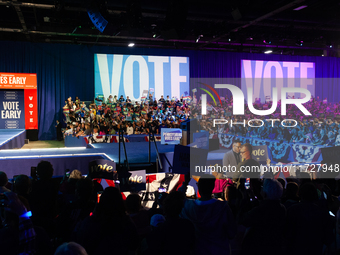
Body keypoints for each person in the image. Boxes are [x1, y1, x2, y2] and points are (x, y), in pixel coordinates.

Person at [180, 174, 236, 255]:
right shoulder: (223, 208)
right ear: (213, 186)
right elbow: (232, 233)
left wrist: (185, 183)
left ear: (198, 186)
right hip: (220, 251)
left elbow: (178, 198)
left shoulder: (188, 207)